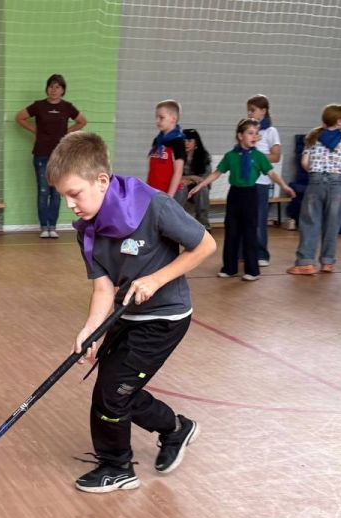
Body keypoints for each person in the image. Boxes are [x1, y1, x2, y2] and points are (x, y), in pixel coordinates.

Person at [46, 131, 216, 493]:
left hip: (165, 318)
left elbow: (205, 245)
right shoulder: (87, 230)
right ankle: (175, 428)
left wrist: (156, 279)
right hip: (126, 316)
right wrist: (90, 330)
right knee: (117, 390)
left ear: (101, 180)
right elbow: (103, 287)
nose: (70, 205)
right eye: (64, 197)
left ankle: (117, 467)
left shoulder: (153, 205)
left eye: (75, 193)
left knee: (113, 393)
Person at [189, 119, 295, 281]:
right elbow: (216, 173)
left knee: (250, 232)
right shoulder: (230, 156)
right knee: (232, 231)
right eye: (250, 133)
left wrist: (284, 186)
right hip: (235, 195)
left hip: (251, 195)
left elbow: (271, 173)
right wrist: (200, 185)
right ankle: (229, 268)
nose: (254, 136)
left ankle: (252, 271)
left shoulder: (258, 156)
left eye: (256, 133)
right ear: (240, 136)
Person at [16, 74, 87, 238]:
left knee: (56, 192)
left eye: (57, 87)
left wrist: (66, 132)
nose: (53, 90)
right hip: (41, 154)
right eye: (51, 86)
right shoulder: (39, 106)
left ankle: (52, 227)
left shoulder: (67, 107)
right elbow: (20, 118)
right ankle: (43, 227)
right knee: (43, 191)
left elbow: (82, 121)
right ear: (47, 88)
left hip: (60, 156)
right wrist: (36, 131)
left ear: (62, 90)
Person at [288, 104, 341, 275]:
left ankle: (306, 262)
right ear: (338, 121)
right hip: (337, 182)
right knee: (333, 223)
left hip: (316, 181)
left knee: (310, 221)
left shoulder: (313, 136)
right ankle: (327, 262)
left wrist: (314, 172)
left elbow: (304, 162)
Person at [246, 95, 281, 266]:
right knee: (244, 218)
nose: (249, 113)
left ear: (263, 111)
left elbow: (276, 156)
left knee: (259, 219)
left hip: (260, 182)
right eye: (248, 110)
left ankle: (261, 254)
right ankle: (244, 252)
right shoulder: (247, 129)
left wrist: (256, 157)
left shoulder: (271, 131)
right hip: (244, 181)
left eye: (252, 110)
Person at [146, 100, 186, 198]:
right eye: (156, 117)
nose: (157, 121)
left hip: (170, 193)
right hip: (155, 191)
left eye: (161, 117)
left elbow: (178, 171)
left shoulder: (177, 142)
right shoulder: (157, 141)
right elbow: (153, 168)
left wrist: (169, 196)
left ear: (173, 119)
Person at [178, 128, 212, 230]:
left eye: (189, 140)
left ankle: (203, 225)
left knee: (202, 189)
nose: (186, 143)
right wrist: (192, 178)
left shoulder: (204, 156)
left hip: (197, 189)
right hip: (182, 188)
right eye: (184, 141)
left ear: (196, 143)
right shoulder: (177, 156)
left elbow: (204, 179)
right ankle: (176, 225)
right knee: (181, 188)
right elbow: (174, 177)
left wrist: (188, 180)